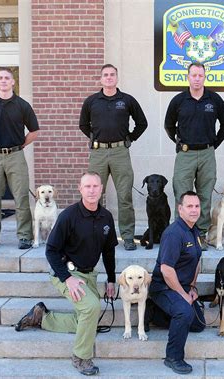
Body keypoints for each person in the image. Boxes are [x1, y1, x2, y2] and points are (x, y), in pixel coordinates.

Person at [14, 172, 117, 376]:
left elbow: (108, 251)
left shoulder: (106, 217)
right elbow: (50, 250)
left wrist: (111, 279)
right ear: (80, 189)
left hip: (89, 274)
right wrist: (67, 278)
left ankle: (42, 318)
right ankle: (80, 357)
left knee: (87, 319)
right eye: (87, 186)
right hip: (64, 272)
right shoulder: (68, 216)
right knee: (91, 307)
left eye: (95, 186)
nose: (91, 190)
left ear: (101, 188)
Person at [79, 64, 148, 251]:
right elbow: (83, 125)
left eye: (112, 75)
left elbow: (142, 123)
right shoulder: (92, 101)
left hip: (120, 152)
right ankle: (92, 236)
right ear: (101, 79)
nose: (109, 78)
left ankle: (126, 237)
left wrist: (129, 138)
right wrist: (95, 138)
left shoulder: (126, 100)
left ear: (117, 78)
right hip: (98, 153)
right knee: (92, 195)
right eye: (105, 75)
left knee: (124, 196)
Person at [164, 62, 224, 250]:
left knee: (204, 195)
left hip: (207, 154)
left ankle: (200, 235)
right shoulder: (178, 100)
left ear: (204, 76)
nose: (196, 78)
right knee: (182, 194)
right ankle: (181, 236)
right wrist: (178, 142)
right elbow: (169, 125)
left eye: (200, 75)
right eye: (193, 75)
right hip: (185, 154)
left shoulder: (214, 99)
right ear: (188, 77)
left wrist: (214, 144)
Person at [0, 67, 39, 250]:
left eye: (7, 78)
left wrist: (20, 146)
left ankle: (25, 237)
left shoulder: (22, 105)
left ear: (13, 82)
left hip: (16, 156)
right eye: (0, 78)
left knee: (21, 198)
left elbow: (34, 131)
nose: (3, 81)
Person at [147, 191, 205, 375]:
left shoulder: (194, 230)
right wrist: (182, 294)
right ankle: (173, 357)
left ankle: (155, 314)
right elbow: (167, 270)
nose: (194, 210)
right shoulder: (174, 233)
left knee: (198, 324)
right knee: (183, 311)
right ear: (180, 209)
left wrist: (193, 287)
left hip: (182, 286)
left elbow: (196, 260)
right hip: (163, 287)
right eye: (189, 206)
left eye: (197, 206)